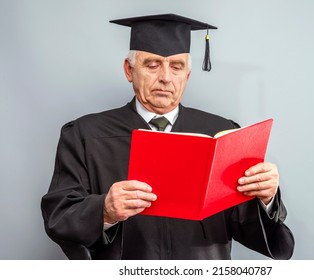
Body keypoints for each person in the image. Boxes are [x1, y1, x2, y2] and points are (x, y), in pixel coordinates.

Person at [41, 13, 294, 260]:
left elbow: (248, 227)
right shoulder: (86, 134)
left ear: (188, 75)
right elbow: (59, 218)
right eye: (152, 65)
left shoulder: (222, 133)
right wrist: (104, 210)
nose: (165, 77)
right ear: (129, 70)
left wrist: (266, 198)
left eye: (176, 66)